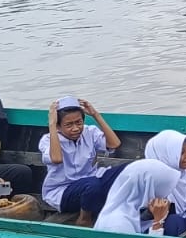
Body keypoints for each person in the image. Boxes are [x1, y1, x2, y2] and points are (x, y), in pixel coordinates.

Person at [38, 96, 123, 224]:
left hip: (91, 181)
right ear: (58, 126)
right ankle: (84, 219)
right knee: (92, 185)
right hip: (64, 192)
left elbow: (114, 144)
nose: (75, 128)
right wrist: (52, 124)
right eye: (68, 125)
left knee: (128, 170)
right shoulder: (48, 140)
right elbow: (56, 158)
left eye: (79, 122)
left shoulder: (90, 132)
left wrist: (95, 115)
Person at [92, 159, 180, 236]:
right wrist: (158, 223)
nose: (165, 199)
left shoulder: (129, 213)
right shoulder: (118, 224)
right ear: (148, 191)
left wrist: (151, 215)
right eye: (163, 194)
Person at [145, 129, 186, 236]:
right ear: (166, 156)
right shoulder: (155, 183)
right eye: (181, 152)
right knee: (174, 222)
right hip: (162, 227)